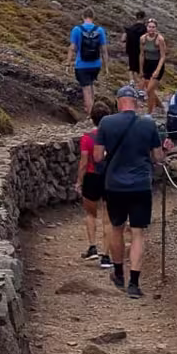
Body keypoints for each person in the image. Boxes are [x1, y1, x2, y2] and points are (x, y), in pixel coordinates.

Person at [92, 83, 161, 298]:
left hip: (115, 185)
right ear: (136, 102)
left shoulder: (106, 123)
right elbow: (158, 157)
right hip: (140, 184)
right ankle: (135, 283)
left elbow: (97, 156)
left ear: (119, 101)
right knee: (138, 232)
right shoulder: (148, 124)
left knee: (117, 228)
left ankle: (119, 273)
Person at [75, 100, 111, 260]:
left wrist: (79, 181)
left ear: (92, 118)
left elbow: (83, 162)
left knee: (91, 214)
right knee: (108, 218)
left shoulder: (87, 138)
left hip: (91, 176)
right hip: (109, 177)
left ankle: (92, 246)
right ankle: (106, 255)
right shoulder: (112, 136)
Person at [68, 15, 108, 113]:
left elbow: (72, 47)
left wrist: (68, 63)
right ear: (93, 17)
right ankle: (94, 111)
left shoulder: (77, 29)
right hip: (96, 65)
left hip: (82, 65)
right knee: (91, 86)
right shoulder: (100, 30)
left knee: (86, 89)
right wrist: (106, 67)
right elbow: (104, 50)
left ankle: (91, 114)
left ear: (82, 16)